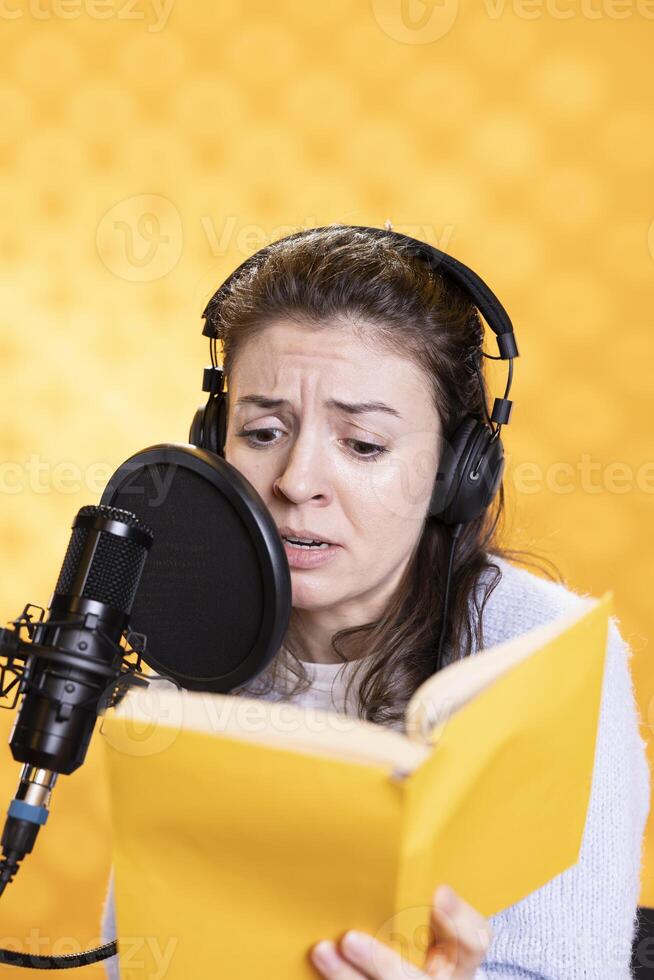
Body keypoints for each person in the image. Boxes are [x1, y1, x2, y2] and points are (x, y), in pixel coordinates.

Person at [100, 224, 650, 978]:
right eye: (261, 432)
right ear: (211, 437)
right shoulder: (192, 634)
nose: (296, 481)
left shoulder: (546, 650)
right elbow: (134, 960)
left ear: (457, 470)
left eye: (362, 446)